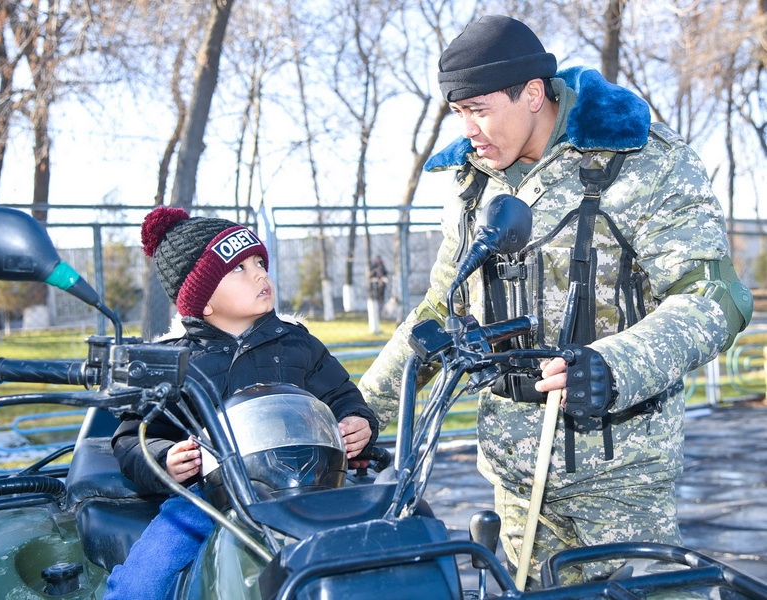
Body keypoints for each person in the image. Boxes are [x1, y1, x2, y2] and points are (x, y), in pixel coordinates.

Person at [359, 15, 753, 589]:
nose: (468, 128)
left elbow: (713, 297)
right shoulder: (472, 183)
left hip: (620, 479)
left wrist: (616, 366)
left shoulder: (642, 159)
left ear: (534, 94)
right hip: (515, 476)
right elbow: (440, 313)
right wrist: (363, 413)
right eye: (458, 112)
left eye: (481, 108)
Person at [105, 206, 379, 599]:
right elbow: (134, 438)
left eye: (258, 262)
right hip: (212, 497)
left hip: (313, 485)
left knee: (392, 544)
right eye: (238, 268)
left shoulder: (298, 342)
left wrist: (357, 423)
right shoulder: (174, 362)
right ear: (202, 299)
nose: (260, 274)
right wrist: (166, 458)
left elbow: (342, 397)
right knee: (142, 582)